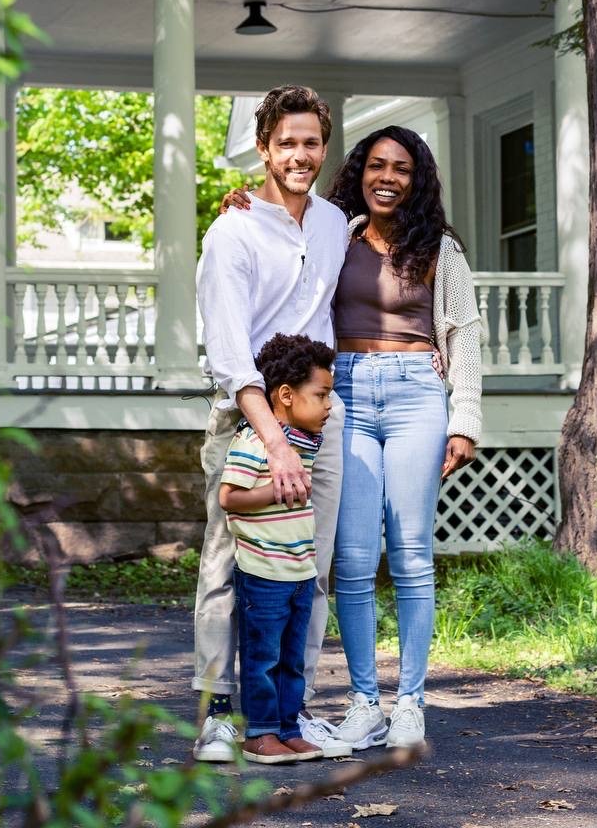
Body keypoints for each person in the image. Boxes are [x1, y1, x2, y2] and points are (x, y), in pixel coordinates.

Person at [193, 84, 352, 762]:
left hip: (321, 420)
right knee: (226, 570)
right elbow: (230, 355)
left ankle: (291, 710)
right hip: (247, 416)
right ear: (262, 148)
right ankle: (218, 714)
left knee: (306, 569)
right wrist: (272, 443)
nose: (299, 154)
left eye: (310, 142)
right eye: (285, 142)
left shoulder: (331, 223)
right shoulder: (230, 232)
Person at [327, 126, 482, 751]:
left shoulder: (440, 247)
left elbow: (465, 333)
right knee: (354, 558)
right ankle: (364, 703)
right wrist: (240, 204)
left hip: (418, 392)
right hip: (346, 392)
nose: (387, 177)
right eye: (376, 165)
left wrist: (465, 418)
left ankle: (410, 703)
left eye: (402, 169)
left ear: (417, 180)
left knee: (413, 554)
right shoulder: (332, 235)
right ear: (360, 172)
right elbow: (275, 248)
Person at [219, 333, 335, 764]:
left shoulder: (305, 443)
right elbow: (229, 497)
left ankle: (288, 727)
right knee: (262, 658)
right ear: (285, 395)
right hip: (264, 573)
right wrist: (274, 491)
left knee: (290, 659)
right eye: (321, 394)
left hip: (300, 573)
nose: (328, 405)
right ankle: (260, 733)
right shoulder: (253, 442)